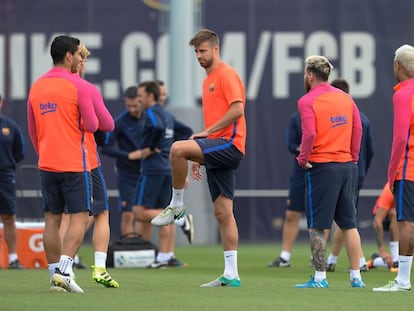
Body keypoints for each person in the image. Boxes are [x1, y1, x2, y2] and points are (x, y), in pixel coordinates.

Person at [151, 29, 247, 287]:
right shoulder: (207, 81)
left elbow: (238, 109)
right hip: (217, 147)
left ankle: (177, 205)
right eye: (196, 52)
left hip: (229, 144)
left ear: (215, 49)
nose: (199, 56)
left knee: (177, 149)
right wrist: (200, 154)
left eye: (203, 50)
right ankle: (231, 274)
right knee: (223, 212)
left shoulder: (226, 74)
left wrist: (206, 135)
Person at [27, 35, 108, 293]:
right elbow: (96, 125)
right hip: (75, 162)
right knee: (79, 217)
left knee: (51, 219)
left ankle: (54, 276)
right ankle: (63, 270)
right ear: (70, 56)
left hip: (47, 162)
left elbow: (32, 129)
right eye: (78, 55)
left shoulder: (36, 86)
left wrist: (44, 152)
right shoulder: (80, 86)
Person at [294, 55, 365, 288]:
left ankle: (319, 278)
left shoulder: (307, 101)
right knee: (349, 224)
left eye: (305, 73)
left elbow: (310, 134)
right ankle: (357, 277)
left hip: (322, 167)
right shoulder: (346, 98)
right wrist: (353, 157)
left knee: (317, 225)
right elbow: (357, 128)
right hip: (347, 167)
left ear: (310, 75)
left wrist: (303, 158)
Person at [132, 81, 187, 268]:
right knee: (162, 212)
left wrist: (152, 147)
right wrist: (168, 148)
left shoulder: (151, 113)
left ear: (149, 96)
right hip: (166, 168)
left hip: (153, 169)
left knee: (138, 213)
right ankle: (165, 256)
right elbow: (186, 131)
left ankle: (180, 218)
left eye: (141, 96)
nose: (139, 99)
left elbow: (156, 127)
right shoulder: (168, 115)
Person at [373, 44, 414, 292]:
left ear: (397, 66)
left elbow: (400, 139)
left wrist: (391, 173)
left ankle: (403, 281)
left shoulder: (402, 95)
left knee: (406, 222)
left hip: (409, 168)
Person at [325, 78, 374, 272]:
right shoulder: (362, 116)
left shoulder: (336, 116)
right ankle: (332, 260)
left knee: (344, 219)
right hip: (355, 172)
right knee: (345, 217)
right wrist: (361, 170)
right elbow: (371, 151)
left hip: (336, 169)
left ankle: (358, 262)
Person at [101, 86, 147, 237]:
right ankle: (129, 249)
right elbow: (106, 148)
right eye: (129, 106)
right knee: (128, 214)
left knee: (143, 214)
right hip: (127, 173)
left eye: (136, 105)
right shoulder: (120, 121)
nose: (133, 109)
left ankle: (141, 249)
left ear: (142, 101)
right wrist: (128, 155)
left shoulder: (150, 119)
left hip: (147, 172)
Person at [0, 94, 25, 269]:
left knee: (9, 217)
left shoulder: (10, 126)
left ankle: (13, 259)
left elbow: (19, 152)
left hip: (5, 177)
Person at [366, 182, 399, 271]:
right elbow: (377, 221)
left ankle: (375, 261)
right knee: (395, 214)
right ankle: (395, 261)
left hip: (405, 221)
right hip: (387, 218)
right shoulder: (390, 189)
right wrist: (382, 251)